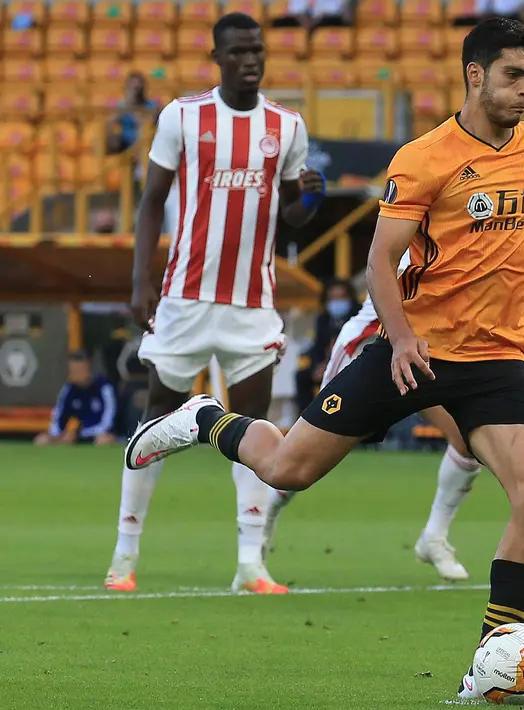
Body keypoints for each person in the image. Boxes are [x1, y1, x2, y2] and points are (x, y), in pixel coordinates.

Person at [120, 17, 524, 698]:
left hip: (495, 358)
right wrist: (402, 338)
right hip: (415, 349)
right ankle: (203, 417)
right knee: (288, 468)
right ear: (475, 74)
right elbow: (380, 258)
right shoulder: (425, 156)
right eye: (513, 75)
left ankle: (491, 662)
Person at [107, 12, 325, 595]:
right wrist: (138, 281)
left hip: (252, 302)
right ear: (218, 57)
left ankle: (250, 563)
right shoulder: (183, 116)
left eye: (257, 50)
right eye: (238, 52)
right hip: (183, 295)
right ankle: (124, 555)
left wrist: (309, 203)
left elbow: (287, 219)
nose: (250, 60)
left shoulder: (287, 125)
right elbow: (152, 200)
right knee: (156, 424)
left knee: (255, 432)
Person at [265, 251, 484, 583]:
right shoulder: (417, 231)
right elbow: (382, 285)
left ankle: (434, 538)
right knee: (302, 458)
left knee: (468, 440)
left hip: (430, 349)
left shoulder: (470, 231)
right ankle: (263, 521)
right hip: (372, 345)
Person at [296, 278, 359, 412]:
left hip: (353, 364)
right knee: (302, 376)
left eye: (342, 297)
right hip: (328, 364)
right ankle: (305, 417)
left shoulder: (358, 318)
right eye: (333, 298)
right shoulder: (323, 320)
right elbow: (318, 346)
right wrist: (317, 366)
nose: (337, 302)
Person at [35, 351, 118, 446]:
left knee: (103, 441)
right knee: (42, 440)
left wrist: (78, 434)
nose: (74, 374)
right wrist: (56, 435)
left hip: (98, 435)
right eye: (72, 371)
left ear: (88, 369)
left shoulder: (104, 388)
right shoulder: (68, 389)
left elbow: (107, 423)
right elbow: (58, 417)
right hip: (74, 436)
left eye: (79, 370)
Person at [106, 72, 158, 155]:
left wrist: (134, 110)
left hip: (146, 146)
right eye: (133, 87)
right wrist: (128, 104)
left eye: (138, 88)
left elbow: (149, 124)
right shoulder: (122, 105)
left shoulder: (151, 105)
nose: (136, 92)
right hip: (125, 147)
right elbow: (110, 122)